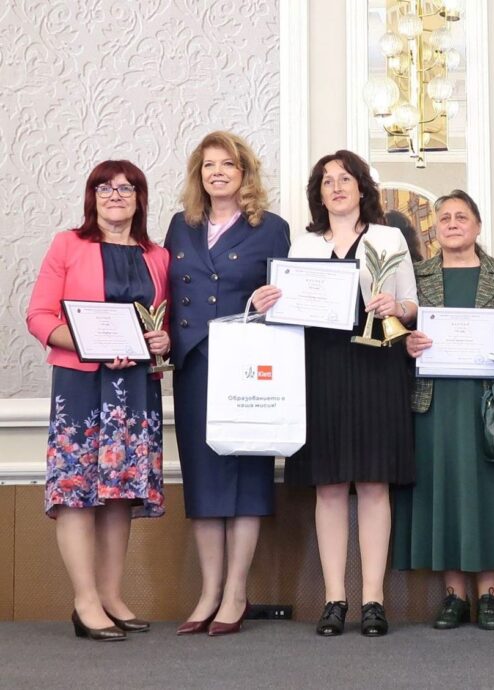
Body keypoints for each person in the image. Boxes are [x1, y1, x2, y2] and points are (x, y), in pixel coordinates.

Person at [252, 150, 416, 637]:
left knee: (374, 483)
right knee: (328, 485)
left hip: (377, 364)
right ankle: (334, 599)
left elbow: (412, 305)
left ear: (362, 188)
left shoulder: (388, 238)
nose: (337, 187)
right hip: (320, 367)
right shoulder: (303, 245)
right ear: (318, 194)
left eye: (345, 179)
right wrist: (265, 301)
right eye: (327, 181)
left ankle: (373, 600)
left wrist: (396, 306)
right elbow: (287, 313)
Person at [26, 160, 169, 641]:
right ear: (92, 197)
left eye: (126, 188)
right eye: (104, 188)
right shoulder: (68, 244)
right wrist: (93, 345)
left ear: (140, 198)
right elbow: (39, 316)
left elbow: (161, 322)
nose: (115, 195)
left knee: (118, 493)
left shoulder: (158, 256)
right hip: (82, 386)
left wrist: (162, 340)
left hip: (136, 388)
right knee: (76, 491)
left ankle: (110, 596)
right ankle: (85, 600)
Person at [394, 189, 494, 631]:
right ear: (435, 230)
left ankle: (490, 594)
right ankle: (454, 595)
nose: (453, 224)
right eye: (445, 218)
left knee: (489, 493)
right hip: (434, 402)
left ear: (477, 225)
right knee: (442, 490)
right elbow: (396, 334)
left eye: (462, 217)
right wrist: (407, 343)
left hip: (488, 401)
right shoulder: (416, 275)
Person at [164, 131, 290, 636]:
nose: (217, 172)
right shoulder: (181, 226)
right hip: (194, 363)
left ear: (244, 173)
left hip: (246, 363)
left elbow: (290, 296)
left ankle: (236, 591)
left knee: (247, 476)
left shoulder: (272, 228)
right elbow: (165, 293)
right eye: (209, 165)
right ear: (199, 175)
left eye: (227, 165)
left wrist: (269, 300)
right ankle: (208, 591)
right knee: (203, 478)